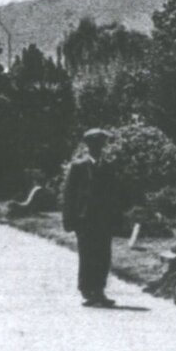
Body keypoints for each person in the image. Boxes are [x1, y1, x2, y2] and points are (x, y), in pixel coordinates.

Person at [61, 128, 119, 307]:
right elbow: (69, 195)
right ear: (88, 146)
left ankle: (99, 290)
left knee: (103, 255)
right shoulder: (78, 166)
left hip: (104, 219)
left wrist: (116, 217)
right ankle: (87, 290)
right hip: (84, 219)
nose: (98, 148)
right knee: (87, 254)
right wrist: (68, 219)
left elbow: (114, 194)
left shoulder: (109, 167)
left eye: (101, 144)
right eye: (94, 144)